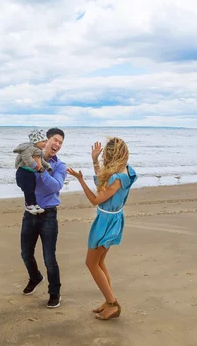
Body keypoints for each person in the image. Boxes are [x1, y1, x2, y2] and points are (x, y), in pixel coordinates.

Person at [66, 137, 137, 320]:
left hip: (106, 222)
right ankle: (109, 301)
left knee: (91, 263)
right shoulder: (126, 171)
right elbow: (102, 186)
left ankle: (112, 304)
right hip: (114, 218)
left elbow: (96, 199)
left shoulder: (117, 178)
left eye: (105, 154)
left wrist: (80, 180)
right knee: (99, 263)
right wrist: (94, 161)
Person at [20, 127, 66, 308]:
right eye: (55, 140)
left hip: (48, 215)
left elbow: (55, 187)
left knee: (49, 258)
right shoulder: (29, 158)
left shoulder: (60, 166)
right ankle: (35, 277)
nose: (57, 144)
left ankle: (55, 292)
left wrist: (41, 170)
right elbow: (22, 180)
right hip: (30, 213)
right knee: (25, 254)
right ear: (45, 141)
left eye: (61, 142)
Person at [13, 129, 53, 214]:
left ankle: (34, 204)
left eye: (45, 141)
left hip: (31, 173)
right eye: (42, 141)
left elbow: (41, 160)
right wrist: (36, 166)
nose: (45, 144)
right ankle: (29, 205)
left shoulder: (38, 150)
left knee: (32, 189)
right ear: (36, 141)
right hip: (23, 172)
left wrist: (47, 166)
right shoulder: (28, 148)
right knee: (28, 190)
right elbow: (27, 159)